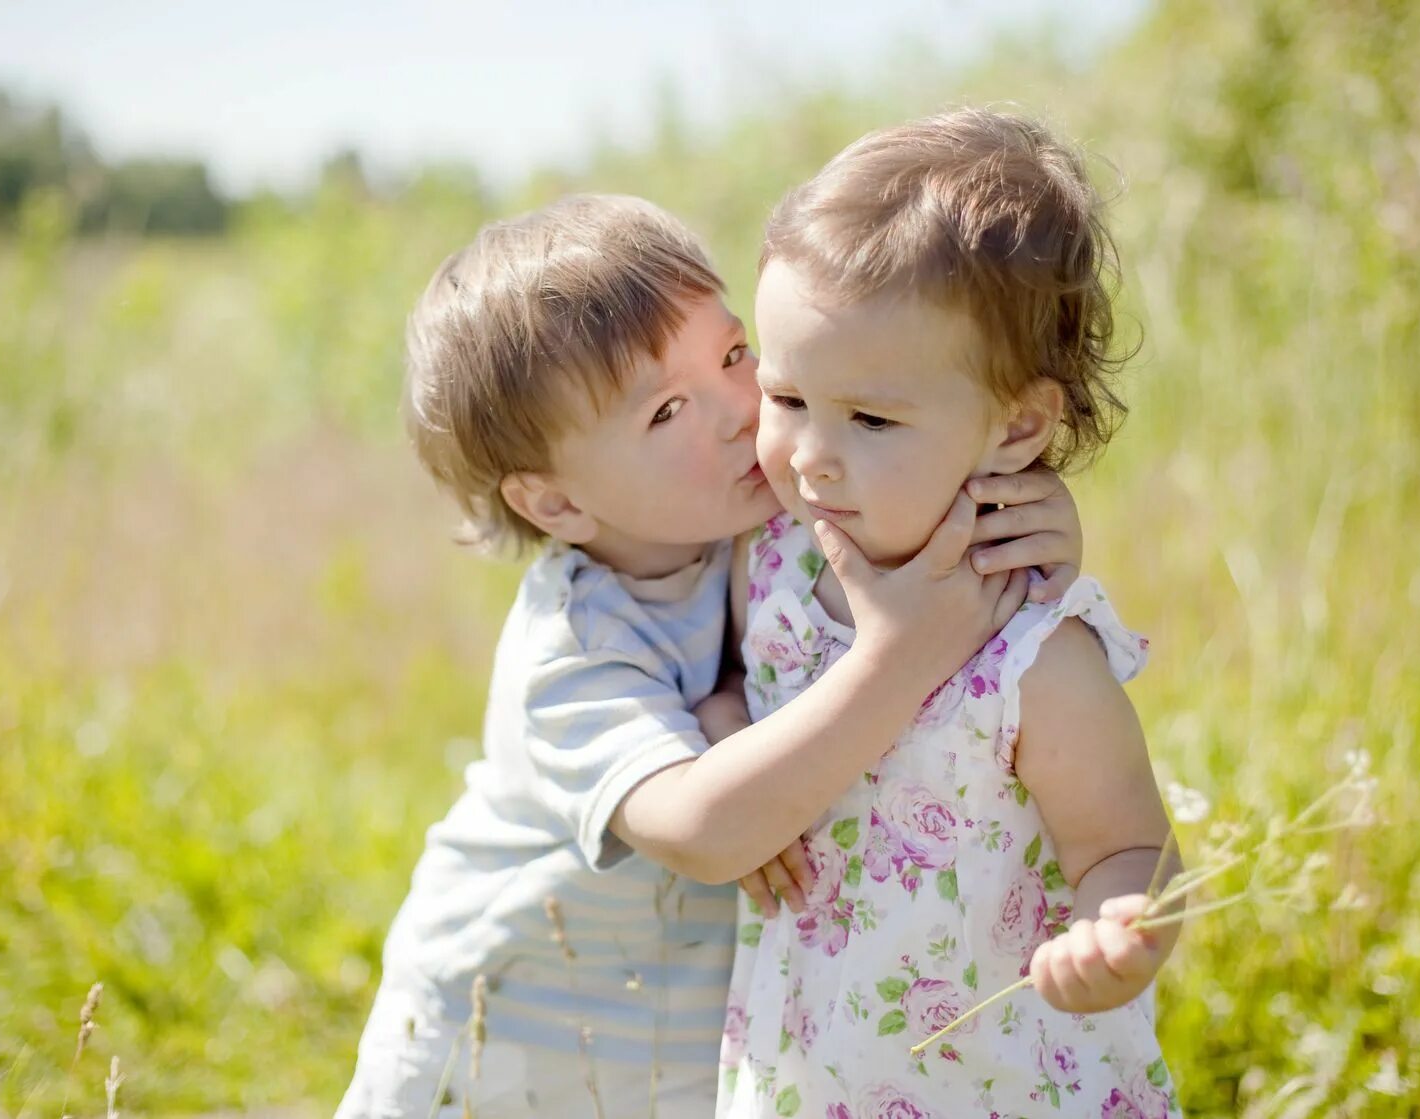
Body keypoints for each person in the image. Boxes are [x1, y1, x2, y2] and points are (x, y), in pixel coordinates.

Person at [335, 192, 1088, 1118]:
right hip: (499, 1050)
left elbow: (915, 533)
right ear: (557, 504)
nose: (745, 409)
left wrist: (1019, 518)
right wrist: (896, 654)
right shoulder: (573, 650)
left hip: (675, 1054)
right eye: (665, 413)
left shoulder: (763, 523)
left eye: (735, 355)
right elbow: (704, 827)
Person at [712, 109, 1183, 1118]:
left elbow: (1124, 842)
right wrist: (733, 764)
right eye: (787, 398)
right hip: (815, 1068)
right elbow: (721, 685)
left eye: (871, 419)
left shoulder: (1029, 652)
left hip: (1000, 1081)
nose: (809, 455)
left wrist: (1116, 928)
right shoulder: (779, 568)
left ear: (1017, 425)